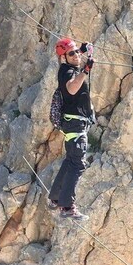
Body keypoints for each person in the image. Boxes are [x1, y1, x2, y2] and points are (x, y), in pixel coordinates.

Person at [48, 37, 95, 219]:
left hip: (73, 123)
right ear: (64, 57)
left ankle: (55, 197)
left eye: (77, 52)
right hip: (76, 124)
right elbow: (72, 88)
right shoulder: (67, 72)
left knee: (70, 161)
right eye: (72, 53)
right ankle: (67, 207)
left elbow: (74, 54)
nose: (76, 55)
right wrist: (85, 71)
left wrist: (83, 49)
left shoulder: (68, 65)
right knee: (77, 164)